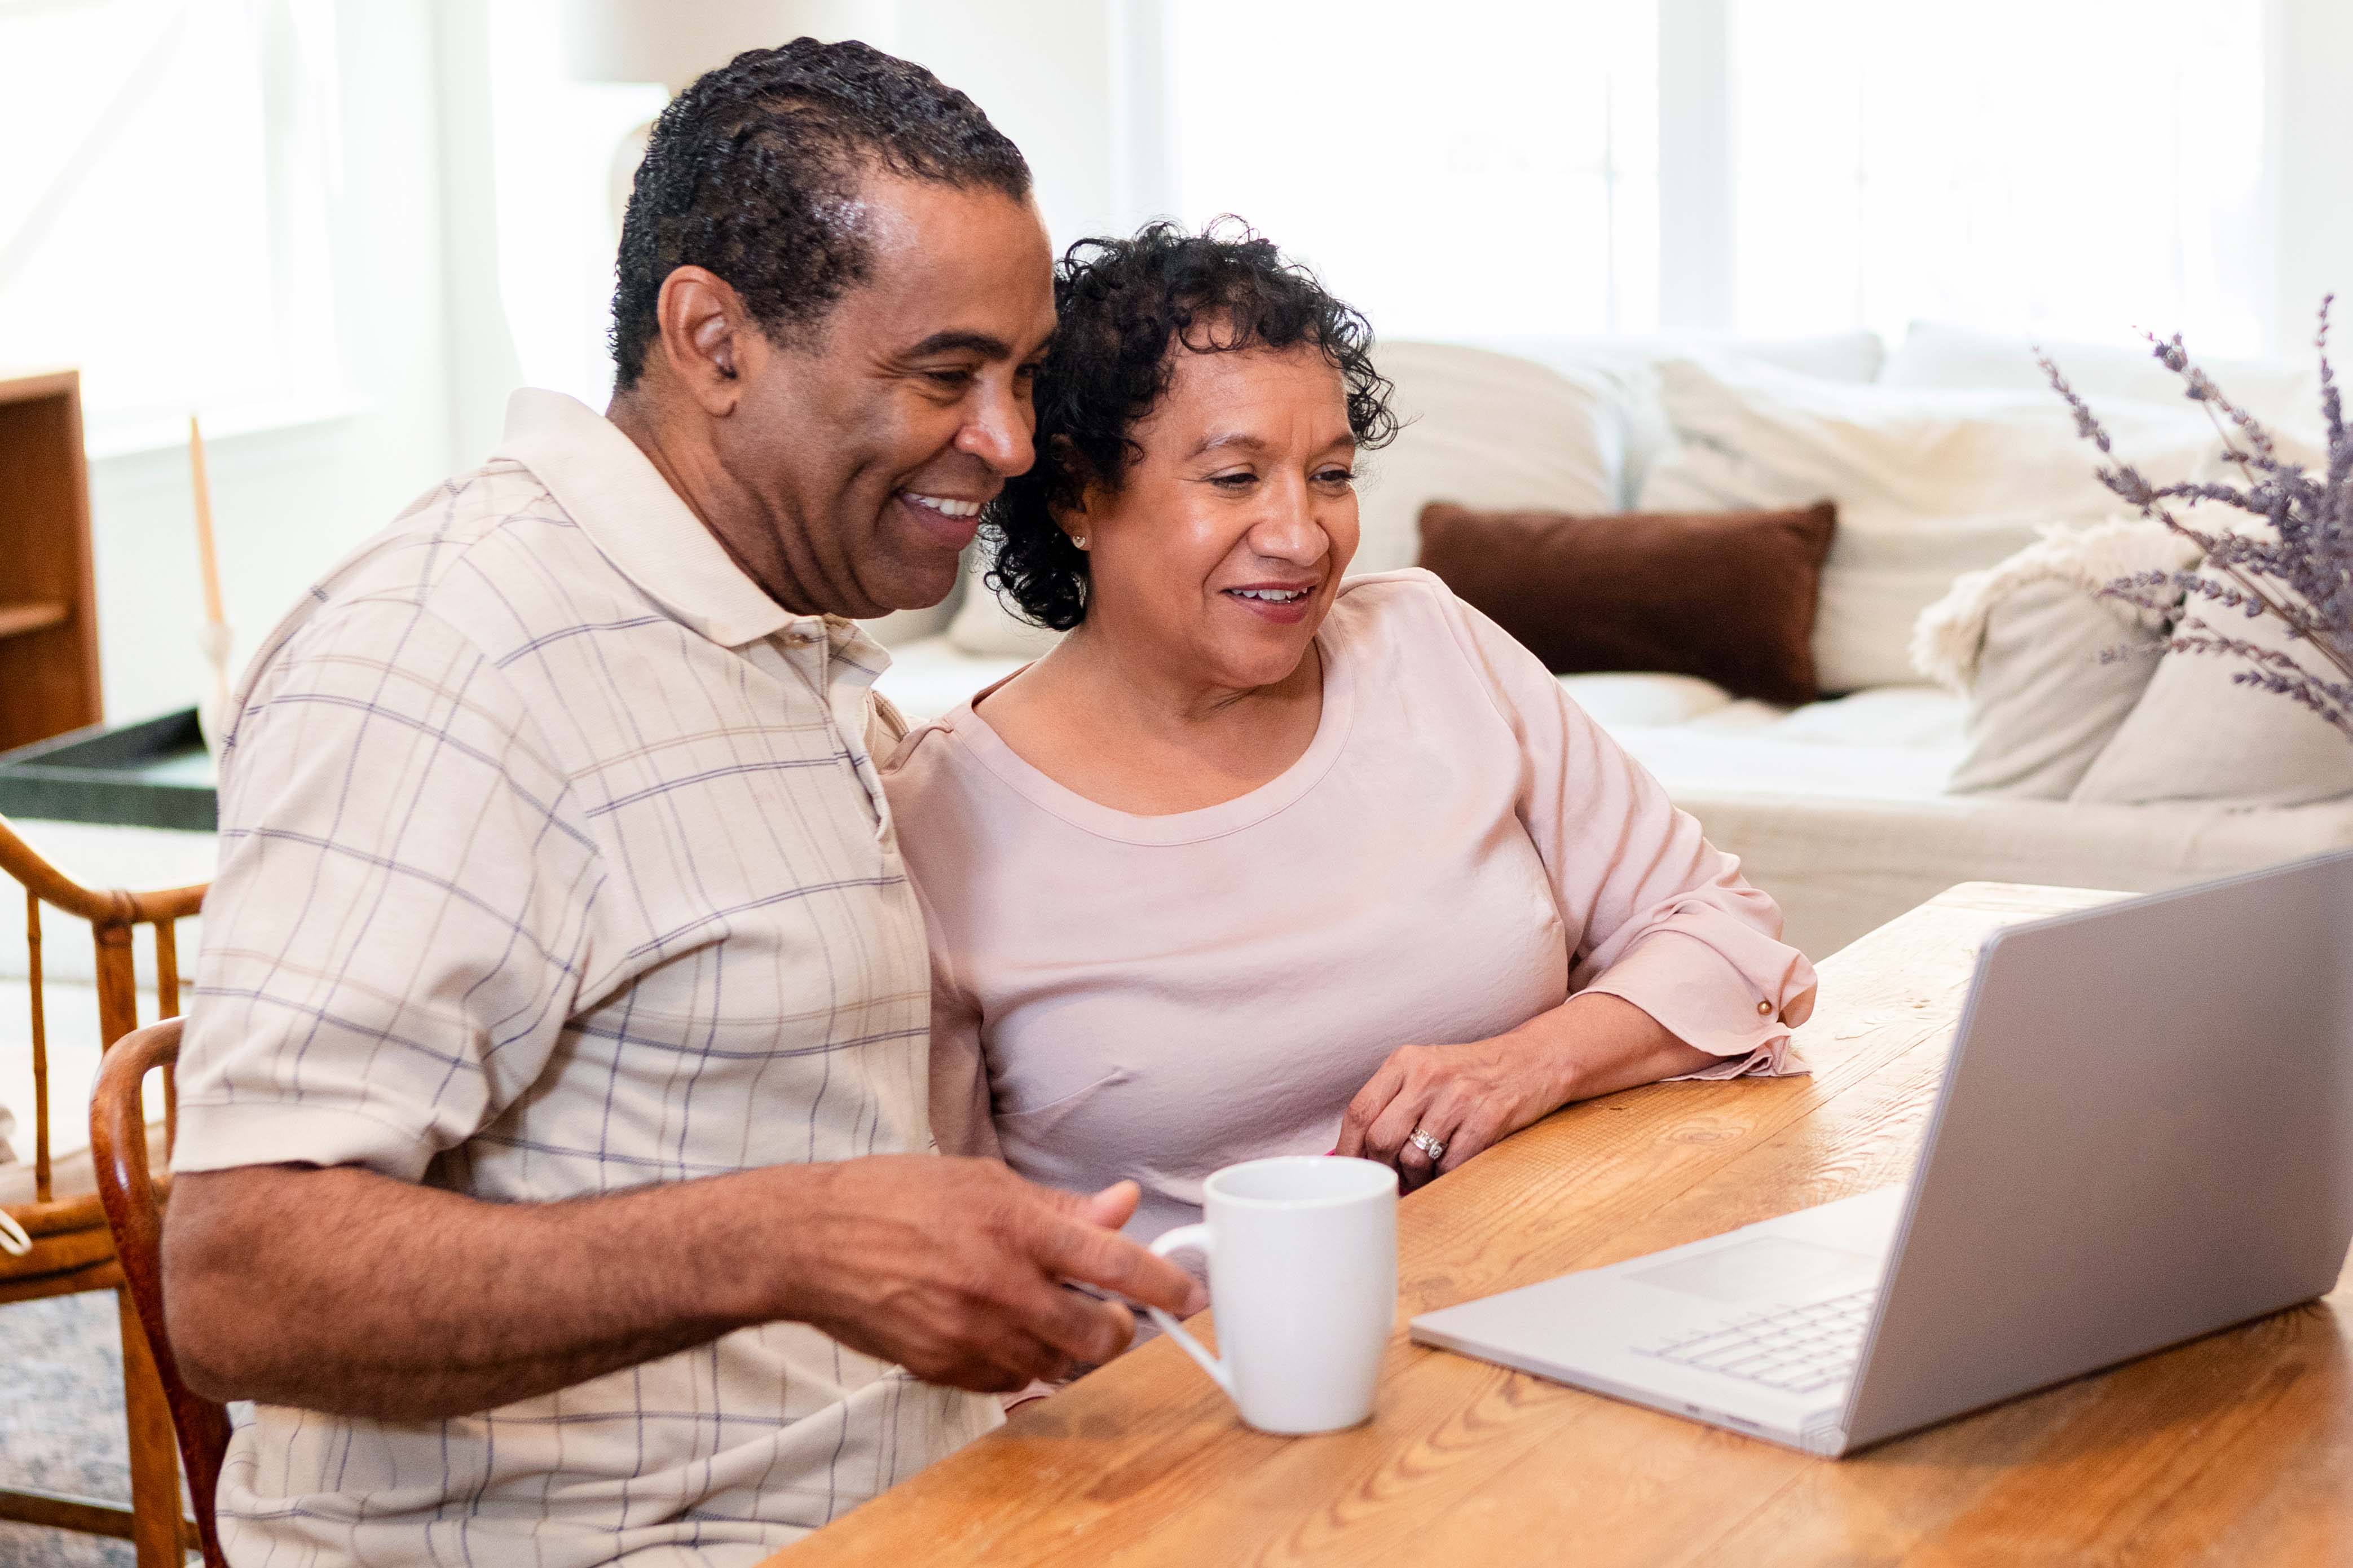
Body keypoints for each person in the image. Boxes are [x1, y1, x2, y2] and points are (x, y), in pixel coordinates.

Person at [160, 41, 1200, 1566]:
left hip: (916, 1500)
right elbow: (240, 1279)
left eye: (1024, 375)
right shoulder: (450, 652)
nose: (1011, 442)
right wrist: (791, 1240)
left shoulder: (771, 624)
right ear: (712, 338)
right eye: (943, 375)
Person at [884, 223, 1820, 1258]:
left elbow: (1729, 938)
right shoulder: (938, 814)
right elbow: (952, 1261)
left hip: (1548, 1290)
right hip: (1199, 1386)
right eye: (1235, 479)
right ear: (1074, 493)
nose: (1302, 534)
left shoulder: (1429, 644)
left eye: (1330, 475)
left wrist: (1525, 1065)